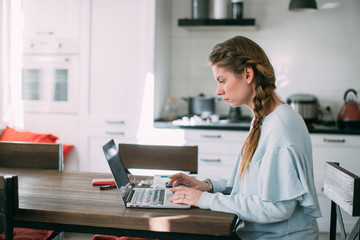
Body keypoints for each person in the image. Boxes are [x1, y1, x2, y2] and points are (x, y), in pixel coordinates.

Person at [168, 36, 322, 240]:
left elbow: (276, 208)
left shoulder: (281, 128)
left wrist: (205, 199)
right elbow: (248, 185)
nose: (218, 91)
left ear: (248, 74)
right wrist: (207, 186)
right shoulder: (263, 118)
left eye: (222, 80)